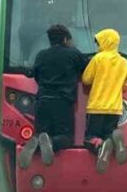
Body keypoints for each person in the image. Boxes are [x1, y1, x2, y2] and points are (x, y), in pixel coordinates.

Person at [18, 25, 86, 169]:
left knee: (41, 132)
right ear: (66, 39)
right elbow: (87, 73)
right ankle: (50, 142)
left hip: (42, 101)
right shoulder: (74, 54)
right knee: (66, 138)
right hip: (62, 103)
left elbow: (36, 76)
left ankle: (36, 141)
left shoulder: (41, 55)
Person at [81, 28, 127, 173]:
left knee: (90, 138)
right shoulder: (123, 62)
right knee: (108, 132)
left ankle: (101, 147)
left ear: (104, 42)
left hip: (96, 106)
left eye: (99, 42)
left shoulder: (98, 58)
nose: (98, 46)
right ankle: (113, 141)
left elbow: (86, 79)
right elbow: (126, 84)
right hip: (115, 108)